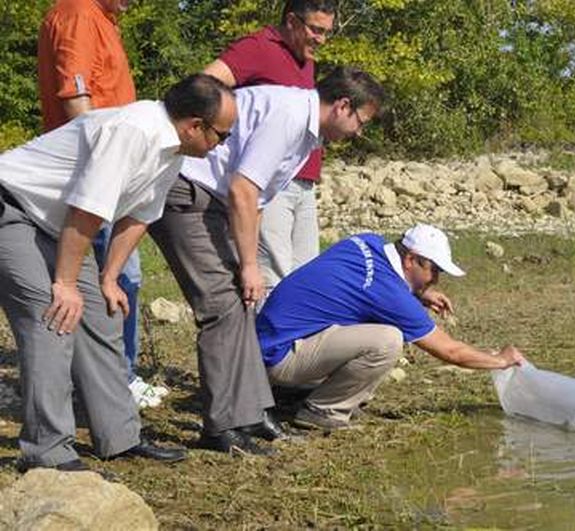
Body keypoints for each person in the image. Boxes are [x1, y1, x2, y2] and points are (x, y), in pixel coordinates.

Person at [0, 74, 236, 472]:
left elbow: (138, 216)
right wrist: (66, 283)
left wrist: (108, 278)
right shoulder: (134, 131)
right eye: (221, 135)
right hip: (14, 208)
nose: (221, 145)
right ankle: (47, 453)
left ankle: (120, 437)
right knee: (53, 318)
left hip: (57, 225)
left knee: (102, 317)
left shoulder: (172, 150)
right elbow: (88, 210)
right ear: (194, 125)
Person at [148, 66, 384, 454]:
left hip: (213, 201)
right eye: (361, 122)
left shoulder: (305, 132)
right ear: (342, 106)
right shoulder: (290, 118)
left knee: (243, 302)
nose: (359, 132)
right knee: (222, 306)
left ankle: (253, 412)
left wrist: (248, 267)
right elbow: (243, 190)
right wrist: (250, 265)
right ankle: (221, 426)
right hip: (186, 192)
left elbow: (254, 200)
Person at [255, 224, 526, 430]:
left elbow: (360, 285)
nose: (436, 280)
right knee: (388, 339)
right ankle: (323, 411)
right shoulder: (390, 295)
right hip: (276, 359)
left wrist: (419, 293)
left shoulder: (366, 241)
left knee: (376, 321)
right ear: (411, 260)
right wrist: (499, 360)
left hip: (267, 342)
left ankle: (317, 395)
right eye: (434, 271)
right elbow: (451, 352)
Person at [37, 0, 164, 408]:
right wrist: (102, 169)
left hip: (109, 170)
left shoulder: (103, 18)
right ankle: (114, 380)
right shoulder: (79, 13)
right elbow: (76, 95)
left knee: (116, 275)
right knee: (115, 277)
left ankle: (109, 376)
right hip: (98, 170)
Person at [204, 0, 337, 294]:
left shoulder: (307, 59)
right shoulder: (258, 47)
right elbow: (205, 86)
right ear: (291, 21)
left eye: (327, 32)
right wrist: (224, 138)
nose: (322, 39)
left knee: (305, 276)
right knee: (272, 276)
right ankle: (265, 339)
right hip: (265, 180)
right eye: (316, 30)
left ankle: (298, 339)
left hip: (302, 180)